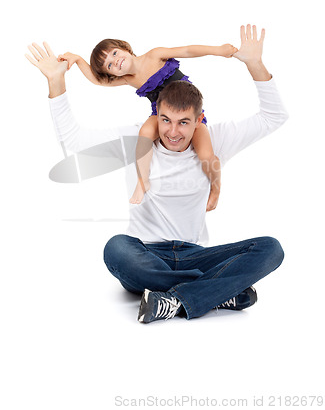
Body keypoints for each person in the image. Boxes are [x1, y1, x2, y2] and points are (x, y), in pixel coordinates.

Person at [26, 24, 288, 324]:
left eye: (183, 123)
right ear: (155, 113)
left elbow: (274, 116)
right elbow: (74, 142)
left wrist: (254, 63)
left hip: (194, 253)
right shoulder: (138, 142)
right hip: (145, 254)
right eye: (165, 120)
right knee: (116, 248)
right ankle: (219, 289)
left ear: (198, 119)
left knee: (270, 248)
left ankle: (176, 299)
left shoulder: (215, 139)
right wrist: (57, 82)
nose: (173, 132)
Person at [56, 40, 238, 210]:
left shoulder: (154, 55)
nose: (115, 61)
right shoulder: (128, 79)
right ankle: (143, 180)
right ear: (112, 74)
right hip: (161, 114)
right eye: (109, 66)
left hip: (187, 113)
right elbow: (98, 81)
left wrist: (218, 51)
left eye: (114, 53)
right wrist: (78, 60)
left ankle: (216, 188)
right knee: (144, 133)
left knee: (206, 155)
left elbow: (187, 50)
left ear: (125, 47)